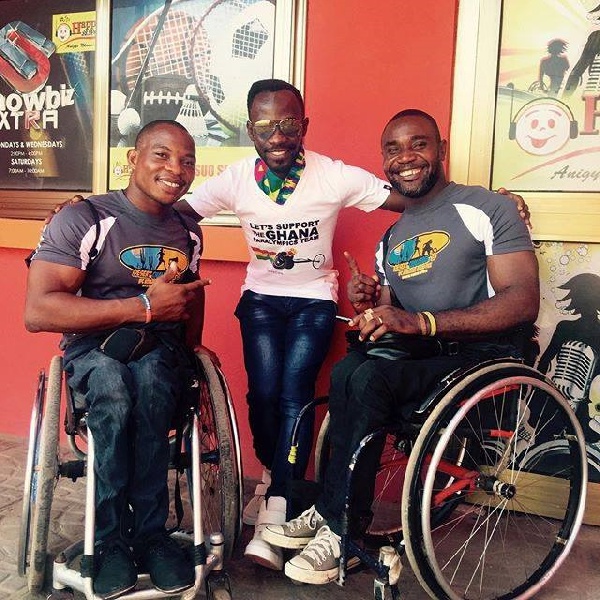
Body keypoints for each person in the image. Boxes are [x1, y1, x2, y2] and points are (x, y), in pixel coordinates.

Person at [47, 79, 530, 573]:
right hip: (260, 300)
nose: (277, 134)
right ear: (251, 130)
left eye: (288, 123)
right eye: (264, 125)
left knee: (297, 392)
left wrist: (494, 201)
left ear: (304, 125)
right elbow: (169, 205)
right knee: (263, 397)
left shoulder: (334, 175)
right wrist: (90, 208)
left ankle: (279, 498)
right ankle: (282, 480)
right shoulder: (235, 178)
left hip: (313, 300)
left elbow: (411, 195)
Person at [261, 108, 540, 585]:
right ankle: (332, 512)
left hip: (482, 357)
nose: (406, 157)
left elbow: (523, 302)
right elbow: (398, 311)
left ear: (441, 151)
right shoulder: (392, 236)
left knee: (370, 378)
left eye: (419, 144)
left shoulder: (488, 208)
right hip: (426, 354)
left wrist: (422, 321)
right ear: (383, 161)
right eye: (393, 149)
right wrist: (372, 298)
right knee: (349, 370)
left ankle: (344, 531)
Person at [24, 120, 211, 599]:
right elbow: (39, 310)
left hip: (159, 349)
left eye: (186, 160)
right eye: (162, 156)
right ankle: (107, 540)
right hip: (94, 344)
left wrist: (193, 356)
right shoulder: (85, 218)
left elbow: (193, 296)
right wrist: (144, 307)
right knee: (111, 385)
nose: (176, 169)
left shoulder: (188, 229)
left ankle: (149, 534)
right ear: (133, 158)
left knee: (151, 382)